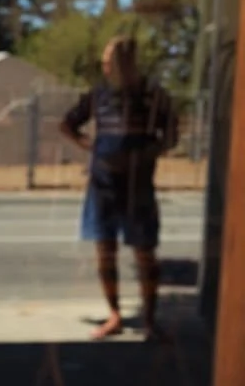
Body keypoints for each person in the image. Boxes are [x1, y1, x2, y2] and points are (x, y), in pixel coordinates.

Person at [61, 34, 179, 341]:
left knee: (145, 252)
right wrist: (94, 148)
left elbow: (171, 132)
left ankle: (151, 319)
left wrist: (152, 150)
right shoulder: (98, 94)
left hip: (139, 182)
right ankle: (114, 313)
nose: (105, 66)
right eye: (104, 61)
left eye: (110, 60)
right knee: (105, 249)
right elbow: (68, 124)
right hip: (104, 183)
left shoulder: (153, 95)